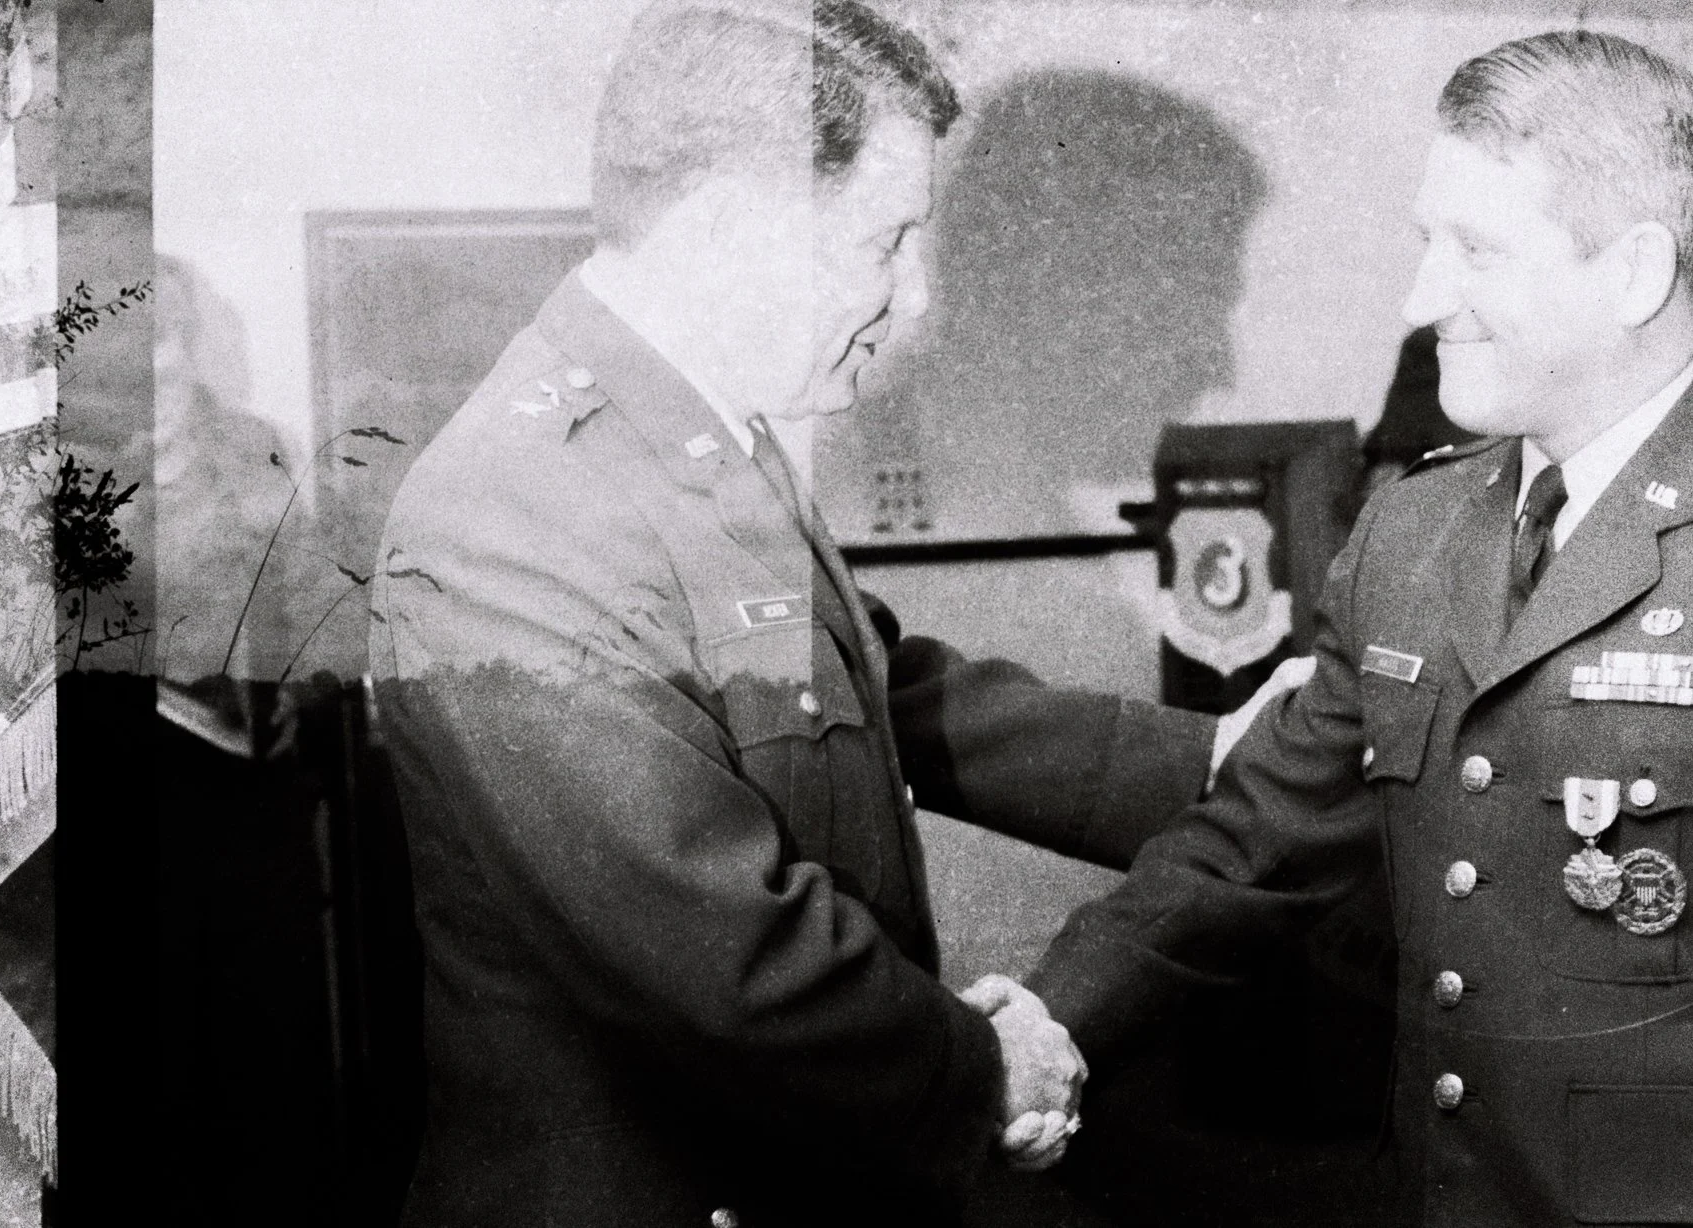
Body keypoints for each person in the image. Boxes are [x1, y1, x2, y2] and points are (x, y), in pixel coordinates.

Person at [368, 2, 1296, 1223]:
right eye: (885, 240)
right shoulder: (519, 509)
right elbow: (728, 951)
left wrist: (1211, 755)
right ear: (724, 231)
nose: (913, 299)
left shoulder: (700, 437)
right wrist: (987, 1068)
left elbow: (872, 687)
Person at [1025, 30, 1693, 1227]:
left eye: (1473, 249)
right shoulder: (1414, 532)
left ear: (1636, 272)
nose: (1419, 298)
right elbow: (1261, 836)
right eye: (1425, 244)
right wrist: (1050, 1017)